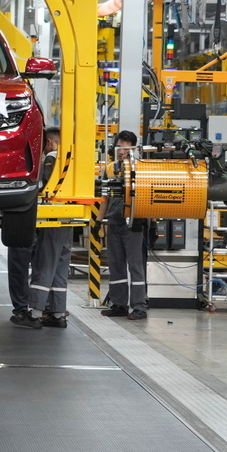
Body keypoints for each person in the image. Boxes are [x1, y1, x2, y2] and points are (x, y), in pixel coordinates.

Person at [10, 127, 68, 329]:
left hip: (52, 218)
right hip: (68, 218)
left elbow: (45, 189)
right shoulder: (72, 160)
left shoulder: (53, 158)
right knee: (60, 267)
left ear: (50, 143)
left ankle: (35, 314)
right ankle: (58, 313)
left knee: (44, 264)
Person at [98, 130, 149, 320]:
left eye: (126, 148)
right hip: (114, 223)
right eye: (120, 147)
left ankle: (139, 307)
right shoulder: (110, 168)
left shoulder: (141, 168)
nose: (122, 152)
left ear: (134, 148)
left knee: (135, 266)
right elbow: (104, 198)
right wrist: (98, 222)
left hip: (133, 224)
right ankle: (119, 304)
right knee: (116, 265)